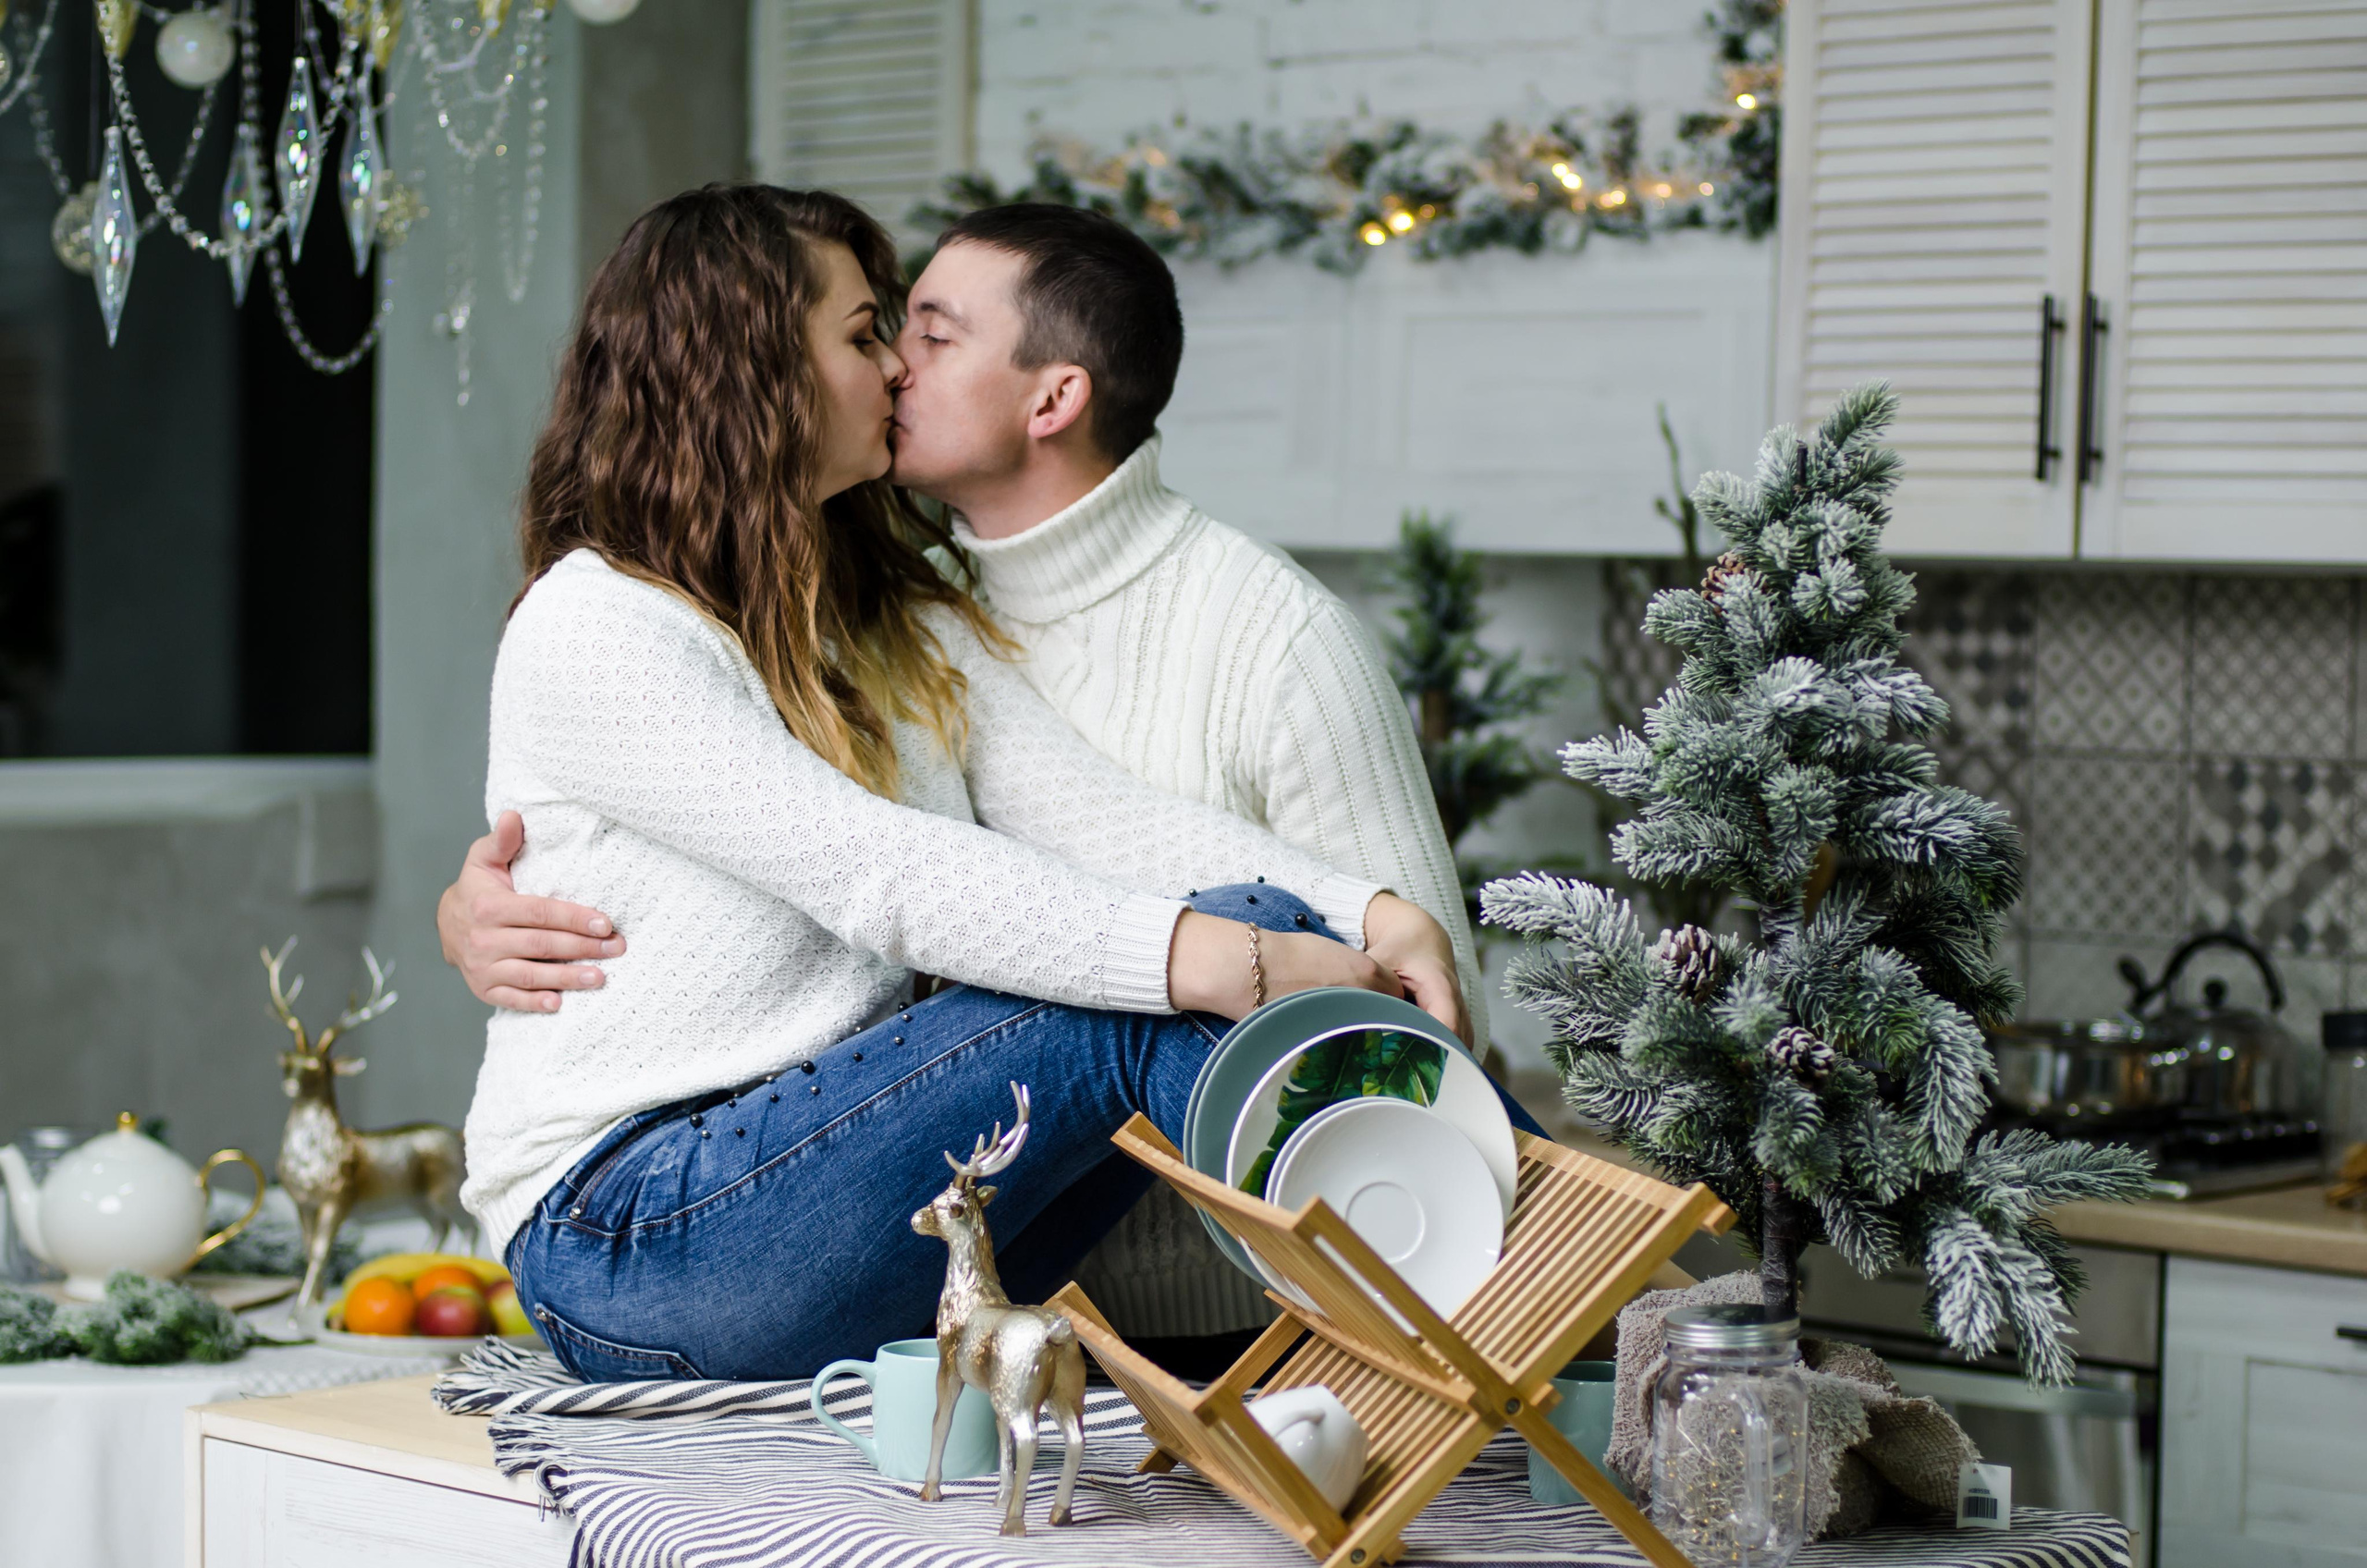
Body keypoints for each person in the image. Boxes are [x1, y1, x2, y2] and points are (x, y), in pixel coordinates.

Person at [442, 202, 1515, 1345]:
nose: (896, 363)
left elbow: (1098, 814)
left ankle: (1508, 1280)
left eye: (911, 334)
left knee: (1237, 927)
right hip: (632, 1228)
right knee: (1152, 995)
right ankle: (1501, 1305)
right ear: (750, 367)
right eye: (864, 335)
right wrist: (1220, 961)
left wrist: (1370, 912)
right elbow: (875, 870)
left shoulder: (887, 615)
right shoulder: (597, 622)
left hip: (850, 1187)